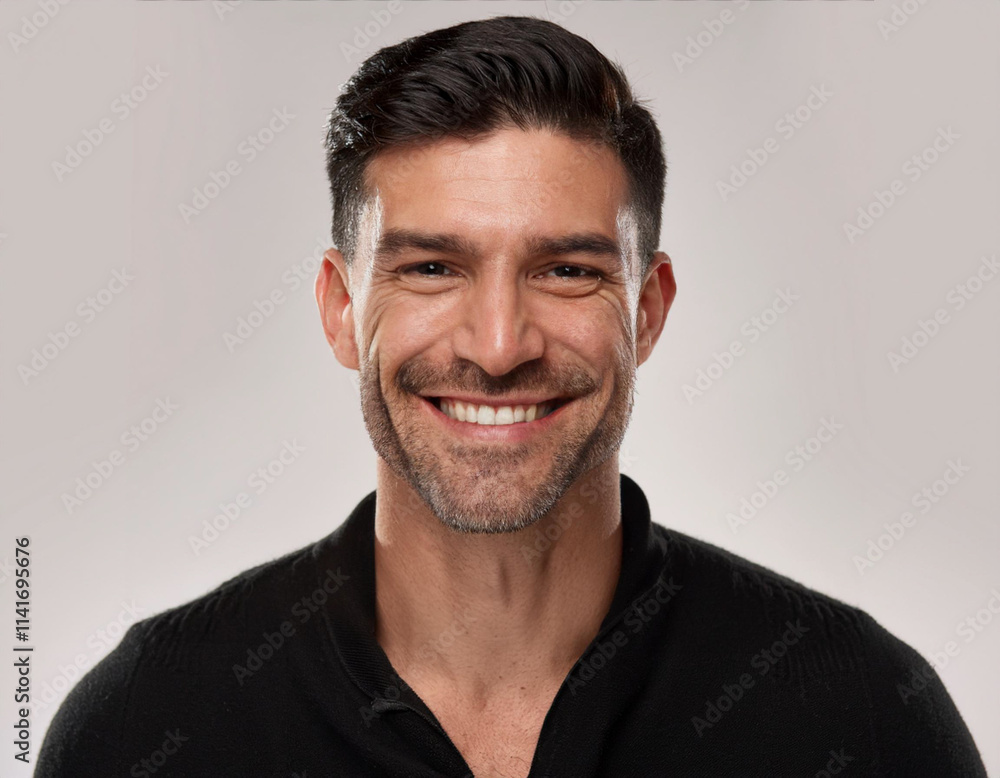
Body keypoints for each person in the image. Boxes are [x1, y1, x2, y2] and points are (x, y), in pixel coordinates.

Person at [36, 15, 986, 778]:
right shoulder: (147, 726)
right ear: (339, 309)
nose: (498, 347)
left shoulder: (861, 713)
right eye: (433, 267)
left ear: (647, 311)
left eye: (567, 270)